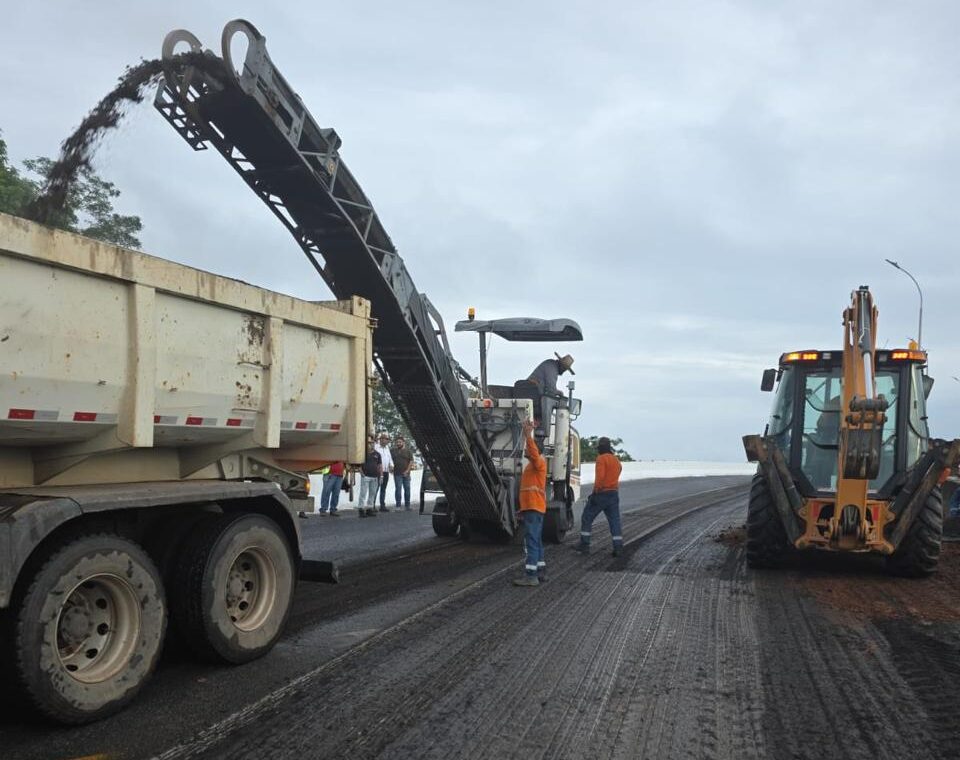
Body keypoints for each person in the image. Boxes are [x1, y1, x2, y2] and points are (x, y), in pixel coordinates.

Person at [574, 436, 623, 556]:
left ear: (601, 448)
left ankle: (584, 545)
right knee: (614, 521)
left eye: (598, 448)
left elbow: (600, 478)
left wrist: (595, 492)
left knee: (587, 517)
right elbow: (619, 470)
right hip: (613, 494)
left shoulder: (601, 459)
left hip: (602, 493)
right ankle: (618, 548)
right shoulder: (616, 460)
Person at [513, 419, 548, 587]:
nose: (527, 449)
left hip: (534, 508)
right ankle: (540, 572)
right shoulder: (534, 466)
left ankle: (531, 576)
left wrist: (528, 435)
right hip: (533, 507)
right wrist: (523, 508)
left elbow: (534, 453)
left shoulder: (538, 462)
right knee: (537, 540)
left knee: (531, 541)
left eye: (529, 447)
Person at [526, 353, 575, 438]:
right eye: (564, 368)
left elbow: (550, 388)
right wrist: (560, 393)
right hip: (533, 395)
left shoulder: (551, 366)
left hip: (533, 394)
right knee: (548, 401)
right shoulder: (552, 368)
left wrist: (557, 392)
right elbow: (551, 389)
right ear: (561, 365)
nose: (564, 371)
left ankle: (540, 425)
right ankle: (542, 428)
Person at [357, 435, 382, 518]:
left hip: (375, 477)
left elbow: (379, 465)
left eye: (372, 443)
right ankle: (361, 509)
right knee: (363, 493)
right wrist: (361, 473)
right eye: (369, 443)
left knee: (372, 493)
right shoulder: (362, 453)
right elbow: (359, 464)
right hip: (366, 476)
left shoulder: (377, 454)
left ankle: (369, 509)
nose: (371, 444)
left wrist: (381, 476)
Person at [391, 435, 414, 511]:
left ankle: (407, 506)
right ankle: (398, 506)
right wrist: (390, 468)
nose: (398, 443)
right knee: (398, 489)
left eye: (400, 442)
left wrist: (407, 471)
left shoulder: (408, 451)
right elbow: (389, 460)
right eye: (397, 442)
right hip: (397, 474)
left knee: (407, 489)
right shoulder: (392, 451)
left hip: (406, 474)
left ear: (403, 442)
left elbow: (411, 461)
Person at [374, 431, 394, 512]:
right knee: (375, 488)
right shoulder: (376, 447)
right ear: (381, 439)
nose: (386, 441)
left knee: (383, 489)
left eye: (387, 439)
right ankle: (372, 505)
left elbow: (390, 458)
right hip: (378, 471)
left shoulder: (387, 448)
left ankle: (382, 506)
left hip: (386, 471)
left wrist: (391, 465)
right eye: (385, 439)